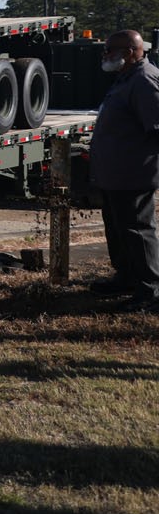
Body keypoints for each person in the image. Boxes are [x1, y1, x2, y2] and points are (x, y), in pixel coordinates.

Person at [88, 29, 159, 311]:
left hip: (133, 174)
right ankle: (127, 277)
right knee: (118, 229)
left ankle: (151, 291)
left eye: (110, 50)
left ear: (130, 53)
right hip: (115, 174)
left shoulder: (144, 80)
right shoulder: (126, 78)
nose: (105, 55)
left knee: (138, 232)